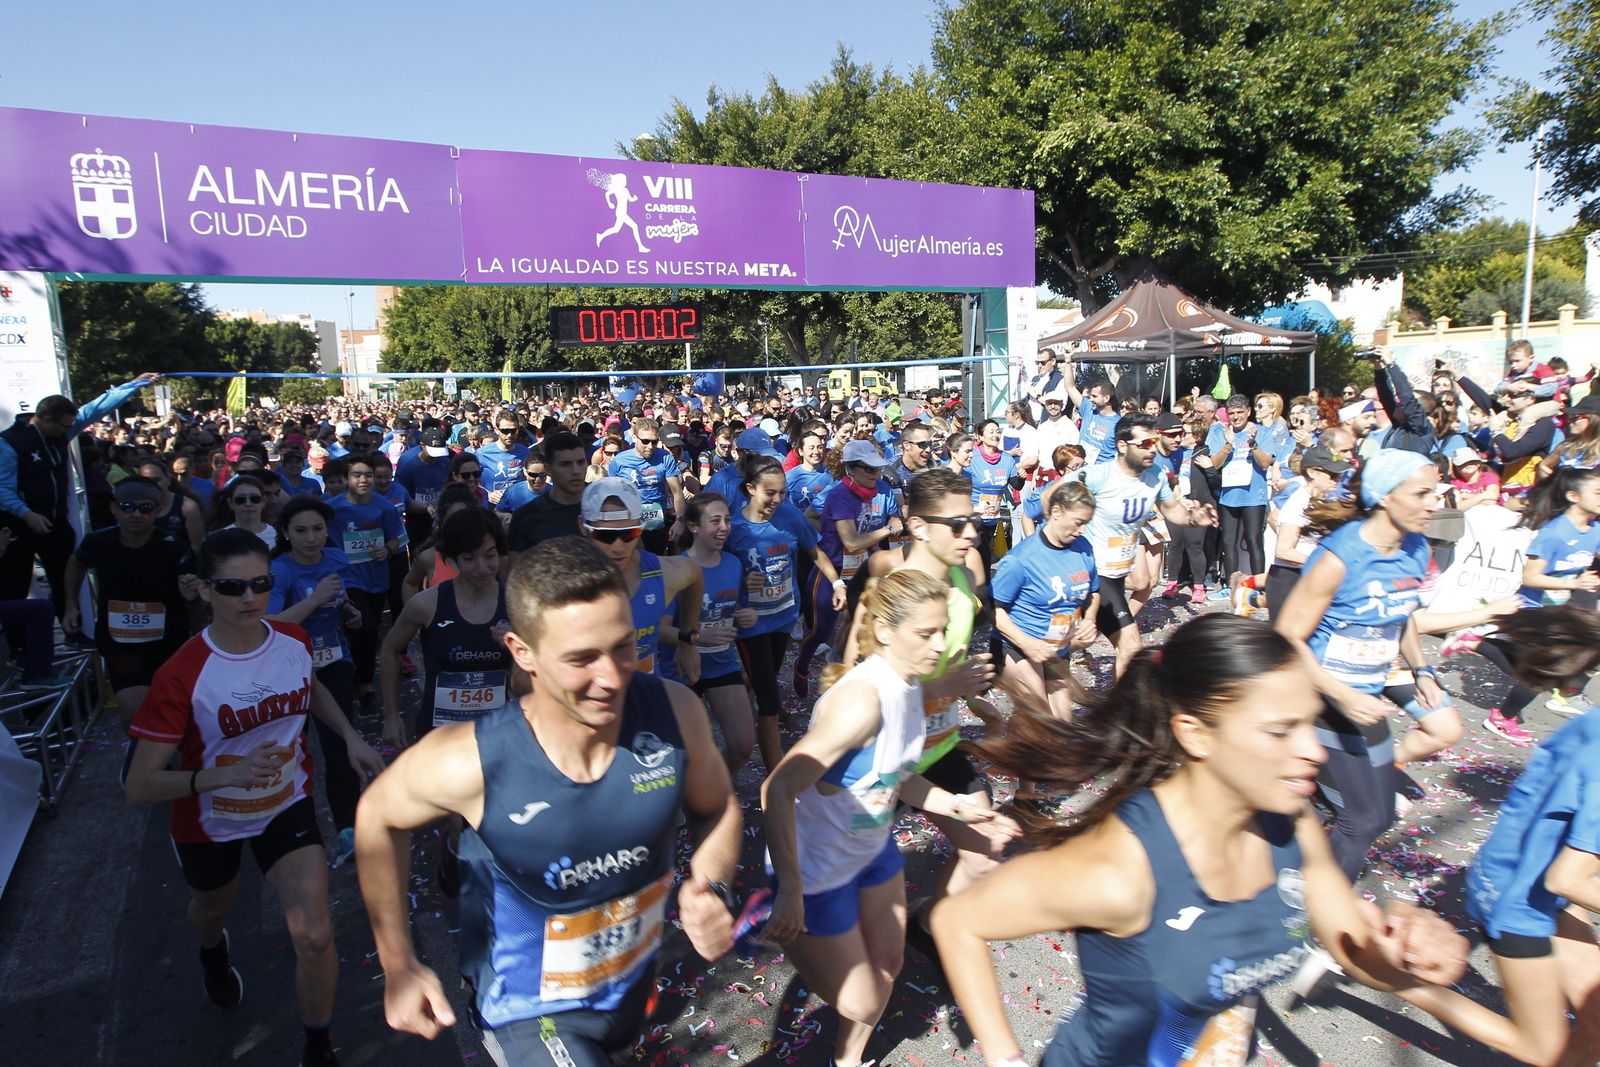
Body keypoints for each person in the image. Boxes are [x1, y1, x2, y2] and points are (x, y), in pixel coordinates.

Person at [930, 613, 1532, 1067]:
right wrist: (1006, 1059)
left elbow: (1349, 948)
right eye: (1280, 730)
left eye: (1310, 722)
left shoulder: (1290, 824)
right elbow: (959, 922)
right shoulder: (1118, 870)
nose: (1315, 750)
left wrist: (1402, 952)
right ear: (1195, 734)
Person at [354, 536, 741, 1066]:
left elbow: (716, 806)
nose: (611, 678)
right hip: (529, 1011)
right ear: (523, 653)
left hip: (630, 990)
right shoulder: (472, 759)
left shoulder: (674, 712)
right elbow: (377, 817)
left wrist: (712, 882)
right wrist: (398, 962)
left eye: (623, 646)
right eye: (581, 659)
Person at [124, 529, 384, 1067]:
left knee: (313, 933)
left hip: (284, 805)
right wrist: (215, 778)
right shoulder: (181, 674)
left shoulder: (292, 641)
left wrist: (350, 736)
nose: (248, 598)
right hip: (209, 820)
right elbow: (140, 784)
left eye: (260, 584)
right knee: (210, 909)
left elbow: (308, 687)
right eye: (232, 587)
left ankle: (318, 1046)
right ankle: (212, 953)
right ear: (203, 589)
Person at [761, 569, 1013, 1067]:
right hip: (817, 873)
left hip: (872, 852)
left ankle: (847, 1060)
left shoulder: (909, 686)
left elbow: (896, 776)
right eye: (926, 634)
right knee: (863, 998)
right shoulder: (862, 704)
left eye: (942, 630)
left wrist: (958, 806)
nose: (940, 644)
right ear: (883, 631)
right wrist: (790, 888)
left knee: (890, 964)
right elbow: (778, 787)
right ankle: (783, 927)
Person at [1274, 450, 1447, 897]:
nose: (1435, 503)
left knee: (1382, 814)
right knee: (1362, 818)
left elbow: (1402, 613)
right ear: (1385, 497)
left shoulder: (1416, 547)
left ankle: (1305, 854)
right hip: (1322, 700)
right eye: (1423, 493)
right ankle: (1320, 922)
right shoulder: (1339, 556)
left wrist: (1422, 669)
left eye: (1436, 492)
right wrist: (1342, 694)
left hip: (1365, 696)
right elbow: (1288, 636)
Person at [1462, 606, 1600, 1067]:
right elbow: (1568, 879)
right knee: (1544, 1049)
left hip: (1531, 881)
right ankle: (1396, 979)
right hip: (1519, 900)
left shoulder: (1593, 723)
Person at [0, 372, 161, 613]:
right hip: (19, 524)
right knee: (15, 585)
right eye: (64, 426)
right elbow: (2, 489)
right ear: (45, 420)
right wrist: (27, 514)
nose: (68, 431)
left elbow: (95, 409)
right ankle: (15, 643)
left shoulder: (60, 432)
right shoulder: (9, 443)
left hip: (55, 521)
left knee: (65, 579)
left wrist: (135, 384)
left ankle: (72, 628)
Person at [1075, 415, 1218, 677]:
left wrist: (1193, 519)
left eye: (1154, 441)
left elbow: (1172, 510)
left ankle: (1044, 653)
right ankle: (1121, 714)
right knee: (1130, 646)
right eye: (1145, 443)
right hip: (1094, 574)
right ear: (1122, 446)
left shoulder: (1155, 476)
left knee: (1082, 638)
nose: (1152, 448)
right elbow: (1051, 497)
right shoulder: (1098, 475)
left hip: (1117, 574)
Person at [729, 455, 845, 772]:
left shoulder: (790, 516)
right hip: (751, 625)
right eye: (770, 493)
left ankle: (734, 687)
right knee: (769, 701)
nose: (777, 500)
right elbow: (716, 570)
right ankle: (775, 777)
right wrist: (739, 578)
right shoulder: (733, 527)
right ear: (750, 488)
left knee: (763, 676)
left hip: (783, 618)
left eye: (782, 492)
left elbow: (815, 552)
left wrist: (837, 583)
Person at [268, 496, 366, 867]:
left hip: (334, 659)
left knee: (340, 746)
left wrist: (349, 612)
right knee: (291, 750)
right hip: (288, 668)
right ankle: (292, 833)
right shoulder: (278, 570)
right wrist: (314, 601)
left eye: (318, 529)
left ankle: (347, 829)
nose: (311, 538)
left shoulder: (337, 559)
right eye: (301, 530)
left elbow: (340, 603)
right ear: (286, 534)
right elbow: (271, 624)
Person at [62, 476, 201, 728]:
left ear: (158, 511)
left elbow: (197, 590)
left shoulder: (173, 546)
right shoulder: (98, 542)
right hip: (120, 641)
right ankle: (145, 762)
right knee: (133, 711)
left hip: (167, 639)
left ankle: (161, 757)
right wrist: (70, 605)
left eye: (146, 508)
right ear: (114, 509)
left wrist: (190, 594)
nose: (136, 514)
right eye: (127, 507)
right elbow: (76, 563)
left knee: (170, 707)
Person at [794, 440, 904, 699]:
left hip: (865, 571)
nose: (874, 474)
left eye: (877, 468)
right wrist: (888, 529)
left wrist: (895, 522)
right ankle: (801, 666)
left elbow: (890, 523)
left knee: (863, 626)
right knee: (822, 630)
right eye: (868, 469)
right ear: (850, 470)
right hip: (832, 570)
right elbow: (852, 543)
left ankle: (854, 681)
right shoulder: (839, 495)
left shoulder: (881, 490)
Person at [1494, 466, 1600, 730]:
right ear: (1574, 496)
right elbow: (1529, 577)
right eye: (1597, 492)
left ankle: (1480, 642)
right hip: (1535, 609)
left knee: (1549, 666)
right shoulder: (1555, 532)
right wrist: (1573, 582)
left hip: (1560, 609)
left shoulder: (1593, 528)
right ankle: (1503, 717)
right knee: (1542, 672)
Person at [660, 493, 759, 774]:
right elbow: (658, 630)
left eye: (727, 520)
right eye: (715, 521)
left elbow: (731, 609)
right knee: (690, 755)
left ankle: (716, 791)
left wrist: (746, 615)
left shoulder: (733, 563)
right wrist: (696, 638)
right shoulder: (676, 569)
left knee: (742, 745)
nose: (724, 527)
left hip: (721, 664)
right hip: (679, 671)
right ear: (693, 527)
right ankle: (692, 803)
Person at [990, 480, 1100, 719]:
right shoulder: (1021, 559)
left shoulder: (1084, 548)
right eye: (1078, 522)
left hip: (1056, 646)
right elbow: (993, 609)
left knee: (1062, 723)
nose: (1082, 530)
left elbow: (1094, 592)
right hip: (1016, 645)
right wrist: (1028, 644)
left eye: (1086, 523)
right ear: (1057, 512)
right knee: (1041, 716)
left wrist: (1090, 619)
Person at [327, 453, 404, 720]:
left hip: (376, 578)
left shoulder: (384, 507)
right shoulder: (333, 509)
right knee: (367, 626)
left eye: (368, 475)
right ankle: (365, 684)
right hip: (347, 578)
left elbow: (396, 539)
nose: (364, 480)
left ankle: (355, 669)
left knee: (364, 631)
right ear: (346, 479)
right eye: (357, 475)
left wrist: (387, 550)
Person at [1207, 394, 1274, 585]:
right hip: (1228, 496)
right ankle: (1231, 586)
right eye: (1231, 413)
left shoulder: (1261, 431)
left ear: (1248, 412)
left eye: (1239, 412)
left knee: (1254, 541)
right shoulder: (1220, 433)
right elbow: (1214, 465)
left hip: (1254, 496)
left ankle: (1259, 585)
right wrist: (1228, 445)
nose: (1235, 417)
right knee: (1228, 542)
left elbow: (1265, 463)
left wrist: (1253, 444)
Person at [607, 417, 684, 554]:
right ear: (635, 438)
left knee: (658, 563)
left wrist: (680, 520)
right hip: (630, 525)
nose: (650, 446)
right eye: (645, 441)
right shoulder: (619, 461)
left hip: (658, 524)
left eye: (654, 442)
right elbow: (612, 495)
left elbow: (677, 492)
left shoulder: (665, 457)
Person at [508, 432, 587, 552]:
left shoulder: (604, 504)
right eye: (565, 464)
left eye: (581, 462)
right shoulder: (527, 517)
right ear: (548, 470)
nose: (576, 471)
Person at [474, 413, 530, 507]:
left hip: (517, 508)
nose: (509, 435)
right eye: (505, 431)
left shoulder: (525, 452)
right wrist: (488, 493)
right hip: (492, 509)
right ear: (496, 429)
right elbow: (472, 480)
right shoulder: (482, 453)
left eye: (513, 430)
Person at [212, 473, 278, 549]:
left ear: (263, 501)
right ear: (231, 503)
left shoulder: (277, 536)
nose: (248, 504)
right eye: (241, 499)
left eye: (254, 499)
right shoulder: (218, 539)